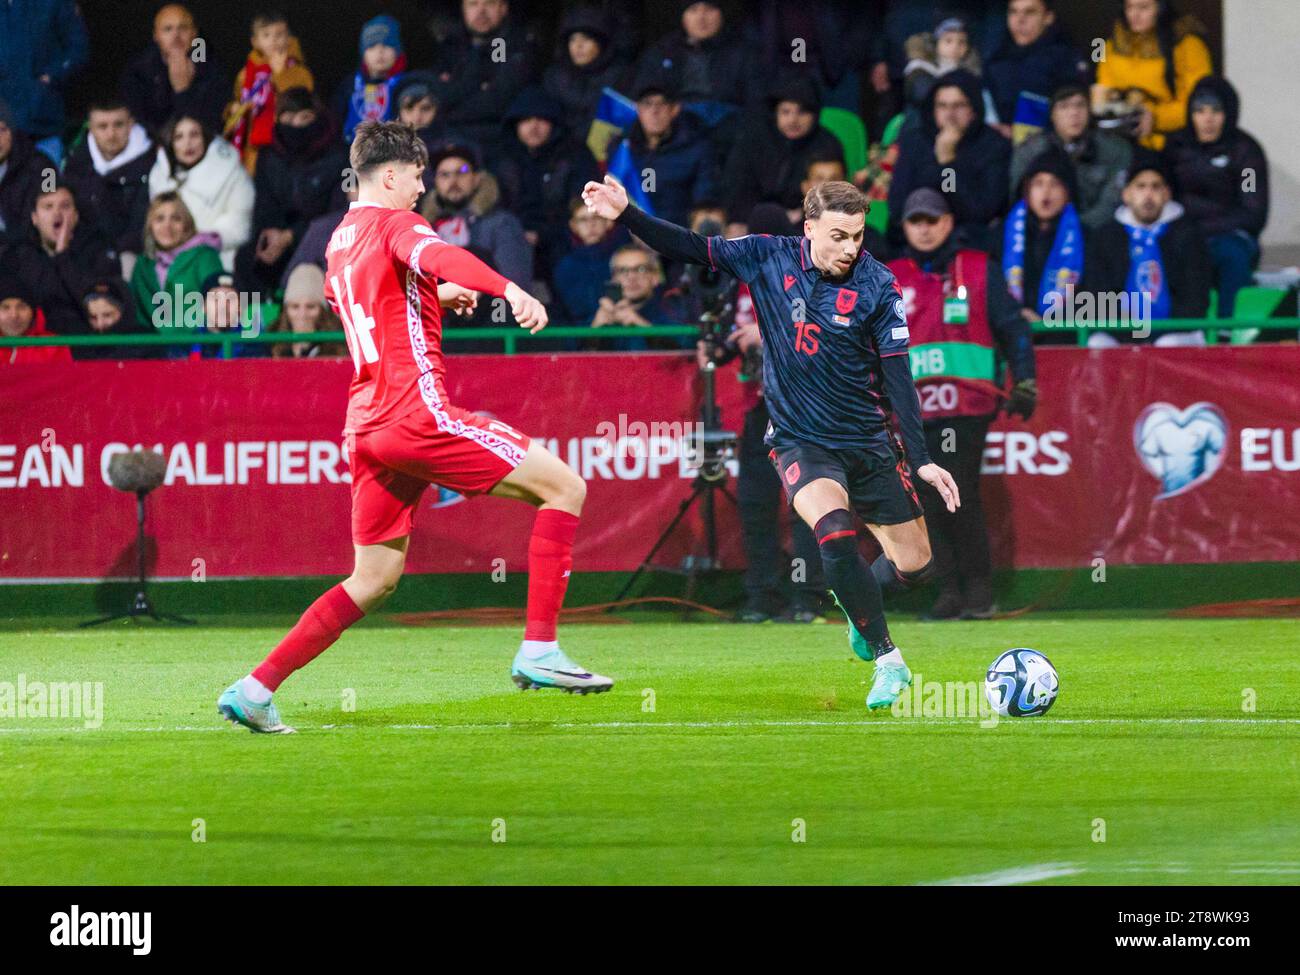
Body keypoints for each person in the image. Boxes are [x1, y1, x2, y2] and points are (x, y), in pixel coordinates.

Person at [217, 120, 611, 734]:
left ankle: (254, 688)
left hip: (367, 425)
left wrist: (439, 294)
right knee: (566, 487)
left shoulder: (340, 239)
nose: (423, 189)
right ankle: (539, 650)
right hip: (415, 412)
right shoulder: (398, 223)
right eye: (419, 177)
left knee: (372, 578)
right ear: (392, 175)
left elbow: (387, 294)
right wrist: (510, 288)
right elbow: (434, 252)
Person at [584, 173, 961, 711]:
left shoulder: (879, 286)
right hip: (800, 440)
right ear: (809, 229)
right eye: (838, 235)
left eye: (858, 236)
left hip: (869, 443)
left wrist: (920, 460)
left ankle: (858, 606)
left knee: (918, 566)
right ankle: (888, 659)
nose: (850, 248)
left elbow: (899, 379)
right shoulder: (765, 255)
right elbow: (687, 246)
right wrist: (627, 213)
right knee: (833, 532)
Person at [888, 188, 1035, 619]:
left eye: (933, 220)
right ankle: (950, 592)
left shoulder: (978, 269)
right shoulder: (889, 276)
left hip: (966, 408)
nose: (925, 228)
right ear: (906, 227)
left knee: (960, 496)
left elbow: (1013, 329)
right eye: (916, 221)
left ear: (949, 223)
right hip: (914, 412)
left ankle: (977, 592)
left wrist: (1025, 378)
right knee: (927, 503)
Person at [1164, 76, 1269, 317]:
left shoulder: (1246, 153)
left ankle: (1225, 331)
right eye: (1200, 111)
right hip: (1183, 234)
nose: (1207, 119)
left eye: (1216, 111)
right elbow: (1163, 196)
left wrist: (1202, 230)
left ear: (1228, 114)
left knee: (1231, 254)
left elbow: (1253, 213)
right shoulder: (1175, 147)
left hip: (1230, 236)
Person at [1085, 153, 1211, 345]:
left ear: (1167, 194)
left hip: (1175, 331)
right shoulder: (1106, 236)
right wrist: (1131, 330)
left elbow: (1196, 298)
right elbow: (1098, 296)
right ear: (1126, 194)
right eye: (1140, 186)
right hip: (1121, 331)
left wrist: (1158, 331)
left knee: (1167, 344)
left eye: (1156, 186)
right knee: (1098, 343)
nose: (1148, 195)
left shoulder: (1188, 235)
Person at [237, 88, 347, 292]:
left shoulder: (340, 156)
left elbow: (339, 213)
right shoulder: (269, 157)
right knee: (246, 257)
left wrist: (291, 236)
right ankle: (260, 318)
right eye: (288, 118)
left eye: (304, 118)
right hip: (279, 240)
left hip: (321, 239)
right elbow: (264, 205)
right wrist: (271, 236)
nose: (296, 126)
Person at [888, 69, 1010, 248]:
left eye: (959, 105)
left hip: (968, 239)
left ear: (974, 110)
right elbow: (898, 205)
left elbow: (981, 210)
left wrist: (948, 165)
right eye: (942, 106)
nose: (950, 114)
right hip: (915, 236)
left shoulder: (993, 146)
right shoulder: (915, 141)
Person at [722, 76, 844, 234]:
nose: (793, 120)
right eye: (786, 112)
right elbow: (738, 190)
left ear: (815, 115)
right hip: (754, 221)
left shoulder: (828, 144)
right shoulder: (753, 141)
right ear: (775, 113)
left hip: (808, 223)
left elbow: (834, 193)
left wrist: (801, 215)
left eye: (801, 112)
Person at [1009, 84, 1132, 230]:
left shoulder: (1115, 150)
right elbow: (1019, 199)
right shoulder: (1030, 151)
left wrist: (1074, 229)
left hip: (1096, 233)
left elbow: (1112, 202)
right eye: (1064, 107)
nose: (1074, 113)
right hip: (1042, 232)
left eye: (1080, 105)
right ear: (1052, 115)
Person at [1093, 0, 1212, 150]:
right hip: (1119, 143)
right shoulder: (1111, 44)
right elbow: (1103, 87)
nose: (1134, 15)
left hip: (1167, 143)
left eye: (1144, 7)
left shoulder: (1187, 45)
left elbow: (1198, 102)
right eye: (1129, 7)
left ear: (1161, 9)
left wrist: (1155, 117)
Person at [993, 147, 1084, 341]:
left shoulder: (1087, 237)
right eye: (1038, 183)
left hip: (1064, 339)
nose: (1046, 192)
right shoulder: (1001, 234)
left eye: (1055, 184)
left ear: (1068, 192)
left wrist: (1045, 324)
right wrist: (1017, 316)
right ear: (1027, 190)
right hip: (1009, 334)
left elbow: (1093, 298)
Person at [7, 185, 120, 338]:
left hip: (84, 344)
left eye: (65, 206)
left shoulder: (97, 252)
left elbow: (94, 306)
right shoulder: (20, 258)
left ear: (75, 216)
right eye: (48, 207)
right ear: (34, 218)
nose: (57, 213)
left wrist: (63, 256)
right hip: (35, 347)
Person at [429, 0, 539, 155]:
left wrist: (459, 95)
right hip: (451, 143)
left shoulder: (503, 44)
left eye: (489, 3)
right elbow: (440, 97)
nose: (481, 11)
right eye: (473, 4)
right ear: (463, 9)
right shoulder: (449, 46)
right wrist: (480, 85)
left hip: (502, 145)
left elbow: (501, 99)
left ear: (503, 8)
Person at [148, 113, 255, 271]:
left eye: (194, 135)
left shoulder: (232, 172)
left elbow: (239, 223)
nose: (188, 143)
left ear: (205, 138)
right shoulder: (159, 175)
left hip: (218, 260)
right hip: (168, 262)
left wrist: (203, 241)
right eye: (179, 137)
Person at [418, 142, 533, 289]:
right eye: (444, 175)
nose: (453, 181)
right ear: (436, 182)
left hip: (491, 309)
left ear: (477, 178)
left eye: (462, 171)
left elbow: (514, 287)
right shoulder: (426, 229)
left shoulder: (501, 224)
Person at [611, 73, 718, 228]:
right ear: (637, 109)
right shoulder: (622, 148)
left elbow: (704, 200)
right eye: (647, 104)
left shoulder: (696, 148)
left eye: (662, 104)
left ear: (674, 109)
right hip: (630, 232)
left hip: (678, 232)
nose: (654, 111)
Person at [223, 10, 315, 173]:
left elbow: (300, 103)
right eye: (266, 35)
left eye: (279, 34)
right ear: (255, 42)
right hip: (253, 151)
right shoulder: (246, 74)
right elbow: (238, 101)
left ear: (288, 38)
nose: (273, 40)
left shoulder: (299, 71)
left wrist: (280, 75)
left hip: (286, 147)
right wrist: (233, 110)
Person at [62, 99, 156, 257]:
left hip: (135, 255)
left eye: (118, 125)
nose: (111, 134)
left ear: (131, 124)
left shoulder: (153, 164)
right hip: (84, 254)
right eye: (102, 126)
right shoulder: (75, 164)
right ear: (90, 128)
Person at [0, 0, 87, 165]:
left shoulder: (54, 4)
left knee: (49, 185)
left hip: (44, 126)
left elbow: (78, 50)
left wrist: (52, 77)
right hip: (4, 131)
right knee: (8, 187)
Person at [121, 4, 227, 137]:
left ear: (194, 33)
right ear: (156, 35)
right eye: (168, 29)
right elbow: (142, 124)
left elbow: (210, 125)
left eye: (183, 28)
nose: (176, 35)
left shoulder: (209, 67)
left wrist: (183, 91)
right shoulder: (138, 70)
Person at [983, 0, 1087, 135]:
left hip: (1054, 145)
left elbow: (1076, 112)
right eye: (1013, 12)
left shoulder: (1067, 60)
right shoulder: (995, 62)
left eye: (1030, 12)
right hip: (1001, 147)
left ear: (1048, 18)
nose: (1020, 20)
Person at [128, 191, 223, 339]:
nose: (167, 226)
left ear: (186, 224)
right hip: (154, 350)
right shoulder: (142, 265)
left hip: (197, 346)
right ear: (150, 226)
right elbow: (138, 316)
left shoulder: (205, 257)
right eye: (159, 219)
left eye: (176, 219)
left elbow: (219, 306)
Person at [542, 6, 631, 132]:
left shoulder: (620, 77)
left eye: (586, 39)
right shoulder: (554, 77)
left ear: (600, 44)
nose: (578, 46)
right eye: (573, 40)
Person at [588, 244, 688, 349]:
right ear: (613, 279)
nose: (632, 277)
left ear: (655, 277)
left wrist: (641, 325)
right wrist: (594, 333)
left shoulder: (673, 313)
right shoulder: (602, 316)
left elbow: (683, 353)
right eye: (623, 270)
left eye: (641, 269)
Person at [335, 14, 407, 144]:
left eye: (387, 45)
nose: (379, 51)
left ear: (397, 51)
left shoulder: (408, 85)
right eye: (372, 46)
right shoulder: (349, 86)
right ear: (363, 54)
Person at [0, 104, 58, 243]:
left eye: (2, 130)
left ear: (12, 132)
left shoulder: (44, 168)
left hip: (29, 255)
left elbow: (52, 220)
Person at [270, 263, 346, 358]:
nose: (302, 315)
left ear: (324, 312)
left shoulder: (340, 345)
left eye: (310, 307)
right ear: (286, 310)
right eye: (295, 306)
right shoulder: (269, 343)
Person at [77, 278, 157, 360]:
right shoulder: (84, 344)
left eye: (107, 315)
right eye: (93, 317)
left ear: (124, 312)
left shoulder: (146, 342)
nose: (100, 324)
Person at [0, 275, 70, 365]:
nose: (14, 315)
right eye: (5, 308)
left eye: (22, 307)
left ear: (33, 313)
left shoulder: (53, 345)